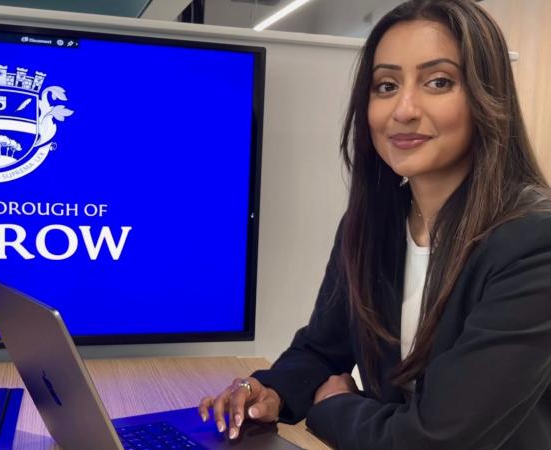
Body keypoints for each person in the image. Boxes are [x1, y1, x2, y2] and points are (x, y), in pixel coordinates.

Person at [198, 0, 551, 448]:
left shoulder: (533, 242)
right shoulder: (372, 223)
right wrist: (267, 390)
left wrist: (333, 410)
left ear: (487, 96)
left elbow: (438, 439)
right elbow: (322, 350)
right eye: (385, 85)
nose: (403, 109)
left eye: (438, 82)